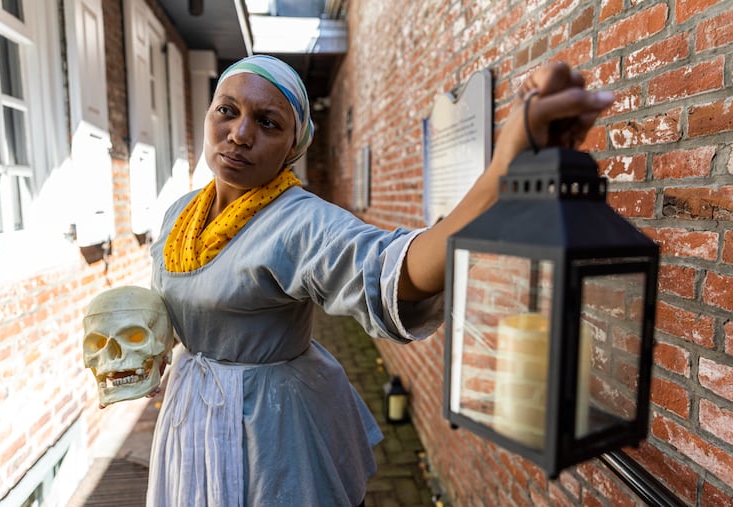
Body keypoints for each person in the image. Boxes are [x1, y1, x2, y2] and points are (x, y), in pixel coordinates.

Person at [144, 54, 615, 506]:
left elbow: (390, 266)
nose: (240, 134)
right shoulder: (179, 214)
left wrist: (500, 177)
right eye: (227, 111)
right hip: (190, 417)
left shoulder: (297, 222)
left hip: (269, 429)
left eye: (268, 122)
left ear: (294, 147)